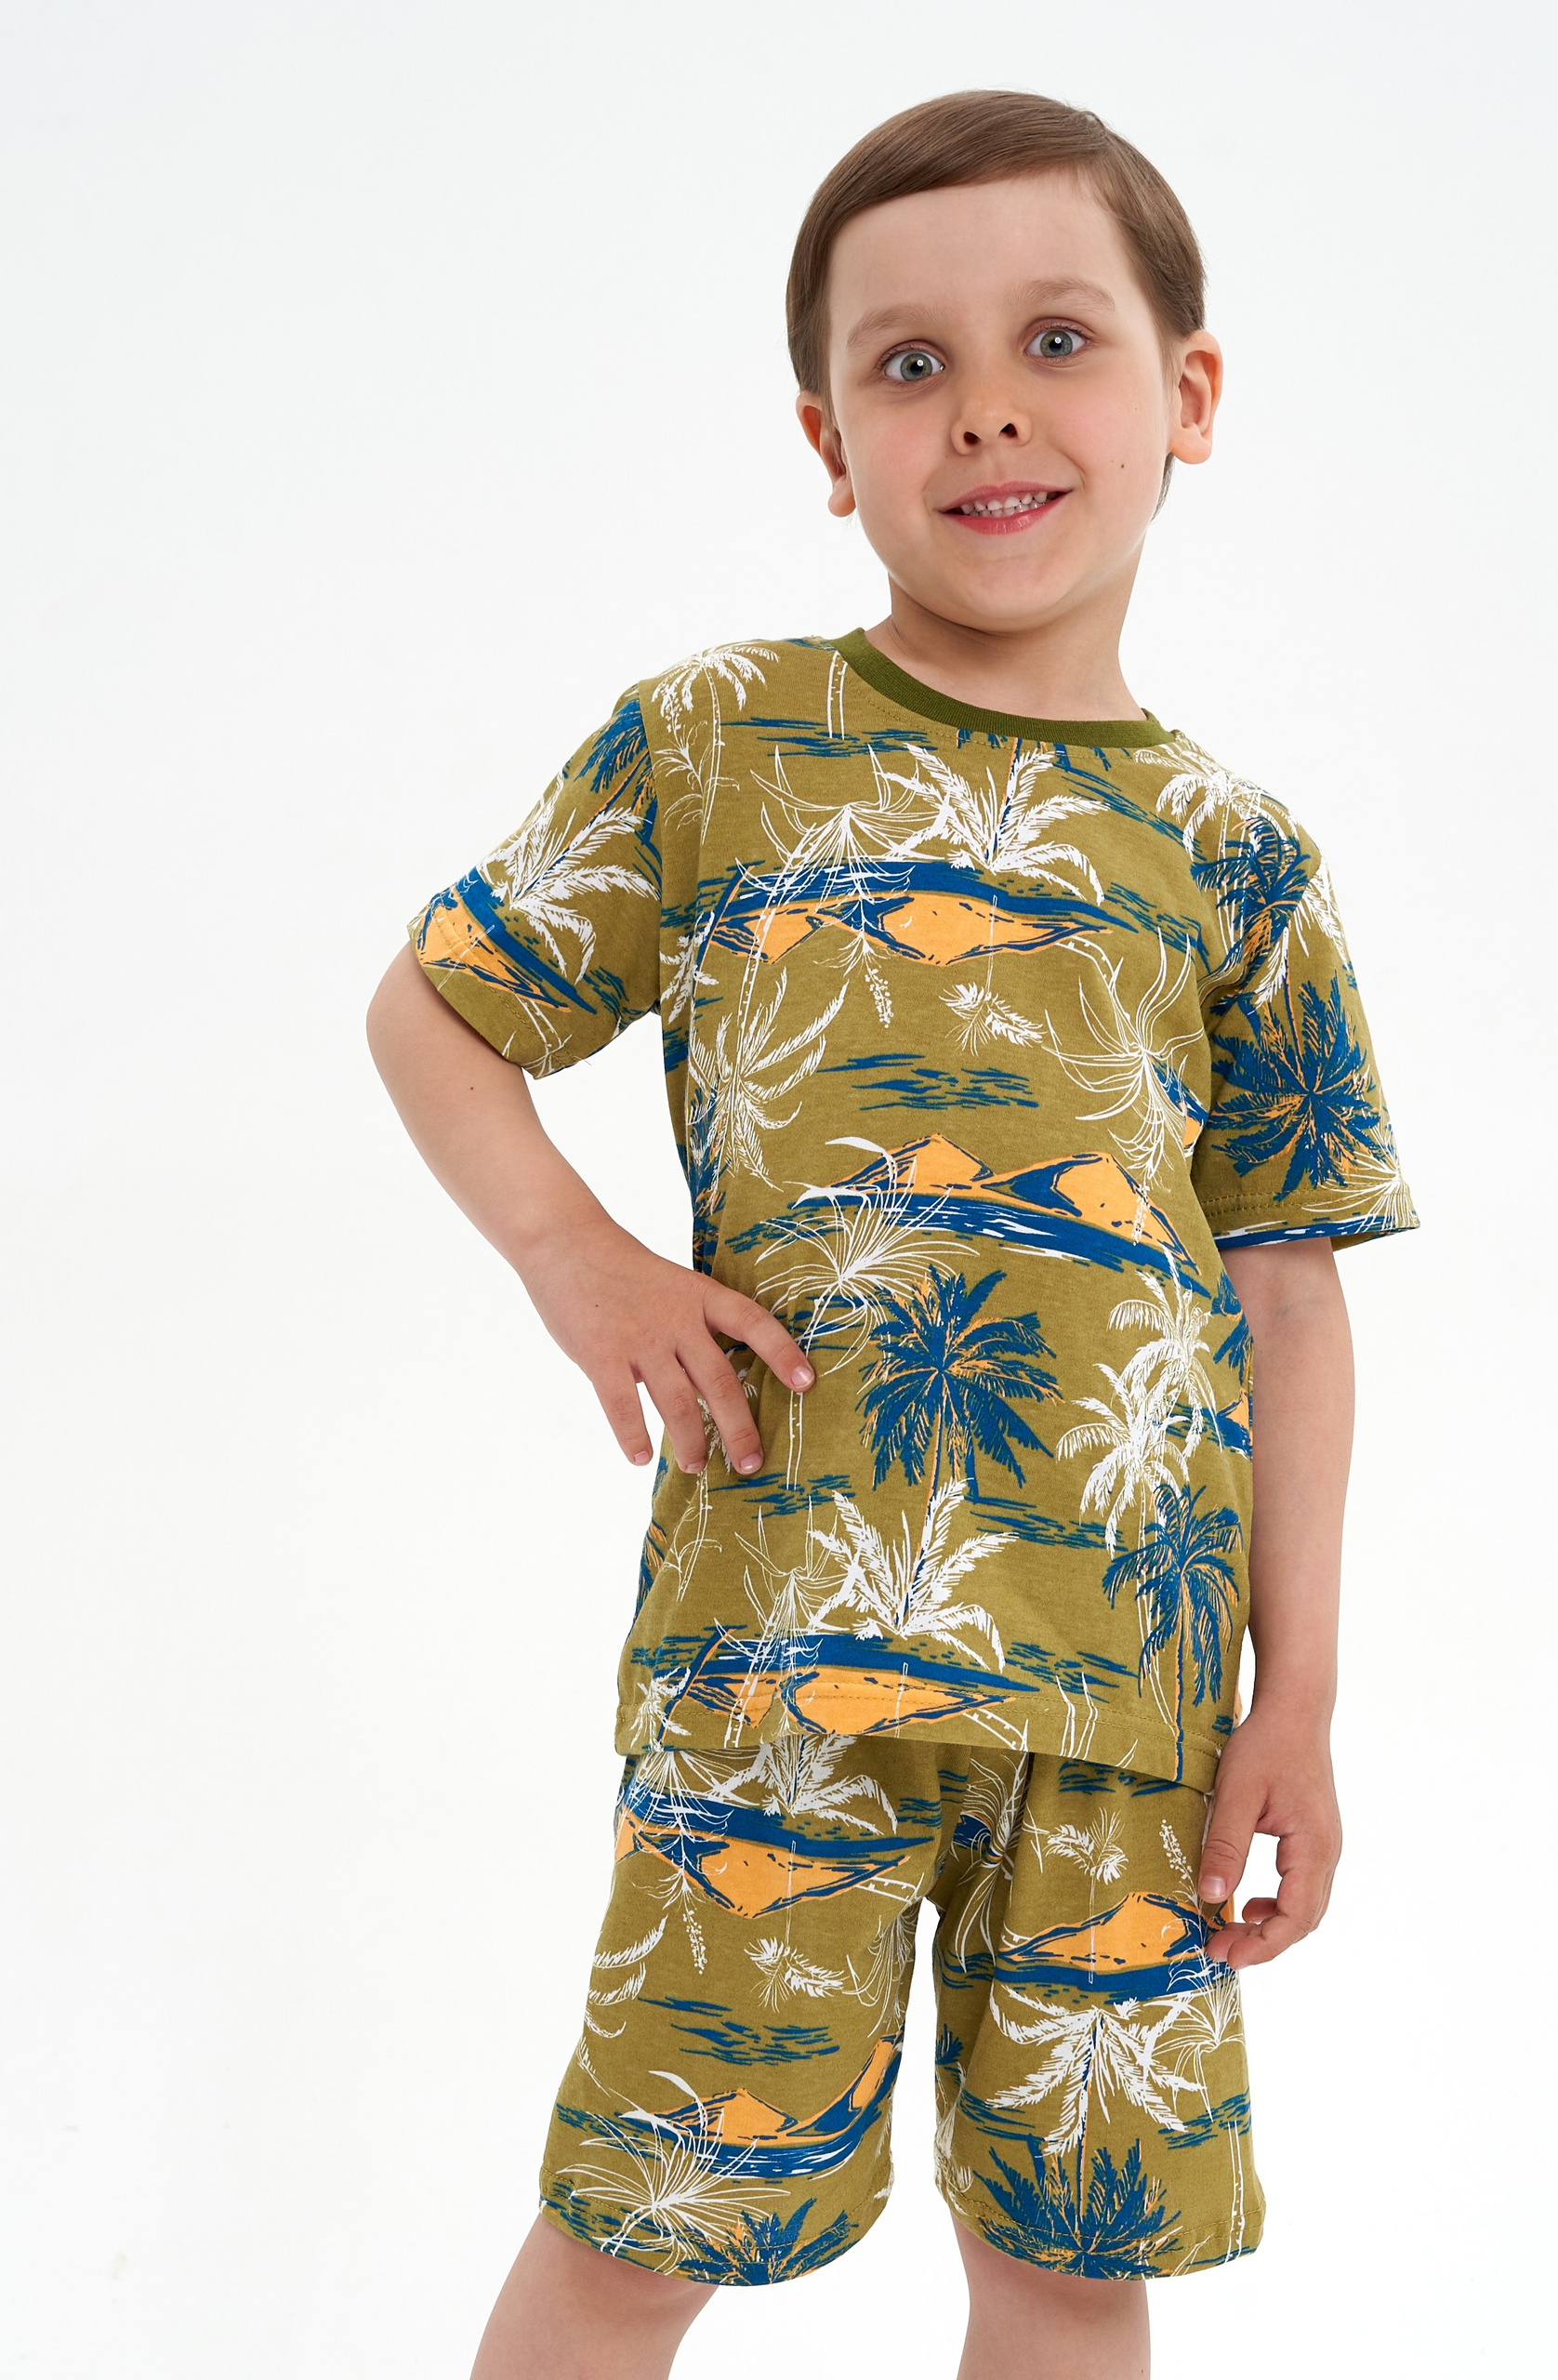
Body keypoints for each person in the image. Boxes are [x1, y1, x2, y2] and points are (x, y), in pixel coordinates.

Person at [367, 86, 1417, 2380]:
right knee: (647, 2219)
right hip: (779, 1665)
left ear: (1189, 394)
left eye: (1060, 338)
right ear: (829, 440)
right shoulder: (717, 742)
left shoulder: (1237, 856)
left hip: (1130, 1704)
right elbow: (435, 1008)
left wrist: (1300, 1691)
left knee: (1072, 2265)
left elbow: (1286, 1285)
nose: (989, 411)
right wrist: (578, 1258)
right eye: (910, 363)